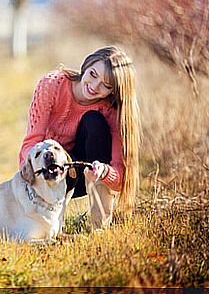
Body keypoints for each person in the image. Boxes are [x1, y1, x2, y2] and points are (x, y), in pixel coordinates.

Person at [18, 45, 140, 229]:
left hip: (86, 173)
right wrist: (30, 175)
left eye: (106, 85)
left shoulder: (110, 110)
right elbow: (31, 144)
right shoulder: (51, 85)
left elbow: (120, 179)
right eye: (93, 74)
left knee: (94, 121)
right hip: (48, 172)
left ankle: (99, 227)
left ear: (113, 91)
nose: (94, 86)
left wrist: (103, 171)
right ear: (87, 65)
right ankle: (47, 222)